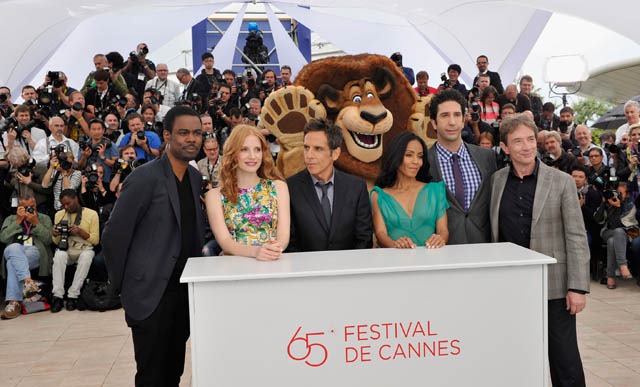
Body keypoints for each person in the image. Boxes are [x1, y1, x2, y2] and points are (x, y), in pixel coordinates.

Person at [103, 106, 205, 386]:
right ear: (167, 136)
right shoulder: (144, 177)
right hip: (150, 295)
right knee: (151, 376)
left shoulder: (195, 179)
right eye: (183, 133)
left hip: (183, 294)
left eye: (197, 133)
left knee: (173, 372)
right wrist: (124, 285)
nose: (192, 139)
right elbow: (114, 234)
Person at [490, 114, 589, 387]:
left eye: (531, 139)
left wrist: (578, 287)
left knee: (564, 360)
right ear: (505, 147)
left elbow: (576, 237)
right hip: (512, 288)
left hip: (555, 288)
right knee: (518, 357)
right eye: (518, 141)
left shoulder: (561, 181)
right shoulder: (497, 181)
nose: (526, 146)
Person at [287, 118, 373, 251]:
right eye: (306, 148)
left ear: (335, 153)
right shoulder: (290, 188)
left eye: (318, 149)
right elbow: (290, 242)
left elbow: (364, 239)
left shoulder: (356, 188)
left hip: (347, 268)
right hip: (305, 269)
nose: (309, 155)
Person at [205, 125, 289, 259]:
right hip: (234, 269)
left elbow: (283, 237)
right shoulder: (214, 196)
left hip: (272, 263)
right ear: (233, 154)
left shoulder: (279, 187)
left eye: (257, 150)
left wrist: (269, 251)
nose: (252, 156)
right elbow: (225, 243)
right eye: (244, 149)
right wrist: (256, 252)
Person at [427, 89, 497, 244]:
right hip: (441, 250)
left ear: (464, 119)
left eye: (457, 115)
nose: (452, 122)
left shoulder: (487, 157)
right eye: (445, 115)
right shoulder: (424, 162)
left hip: (484, 248)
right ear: (434, 123)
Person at [371, 132, 448, 248]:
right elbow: (380, 234)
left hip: (431, 260)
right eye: (409, 155)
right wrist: (395, 245)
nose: (416, 161)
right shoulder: (379, 195)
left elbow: (443, 230)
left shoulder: (435, 191)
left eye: (420, 156)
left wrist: (440, 238)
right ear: (395, 157)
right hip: (394, 261)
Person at [0, 196, 52, 320]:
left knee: (12, 263)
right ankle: (28, 282)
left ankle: (13, 303)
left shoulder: (44, 218)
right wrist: (18, 221)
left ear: (36, 206)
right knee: (14, 248)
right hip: (15, 250)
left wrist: (36, 223)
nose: (29, 210)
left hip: (34, 251)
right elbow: (3, 238)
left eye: (32, 207)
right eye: (25, 207)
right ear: (18, 208)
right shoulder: (10, 219)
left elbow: (49, 240)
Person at [50, 189, 100, 313]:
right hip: (66, 247)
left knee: (86, 257)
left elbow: (95, 241)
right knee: (59, 256)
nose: (66, 207)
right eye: (63, 205)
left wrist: (80, 232)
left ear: (76, 199)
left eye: (69, 203)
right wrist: (55, 234)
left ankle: (73, 295)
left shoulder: (92, 214)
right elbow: (56, 242)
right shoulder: (59, 214)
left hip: (84, 248)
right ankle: (58, 296)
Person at [594, 182, 636, 289]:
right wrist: (604, 204)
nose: (617, 196)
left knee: (613, 240)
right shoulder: (608, 203)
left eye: (620, 193)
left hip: (626, 234)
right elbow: (597, 220)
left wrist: (618, 207)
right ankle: (623, 265)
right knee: (615, 233)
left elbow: (621, 224)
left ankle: (610, 276)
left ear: (626, 194)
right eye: (616, 193)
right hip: (607, 232)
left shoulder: (630, 206)